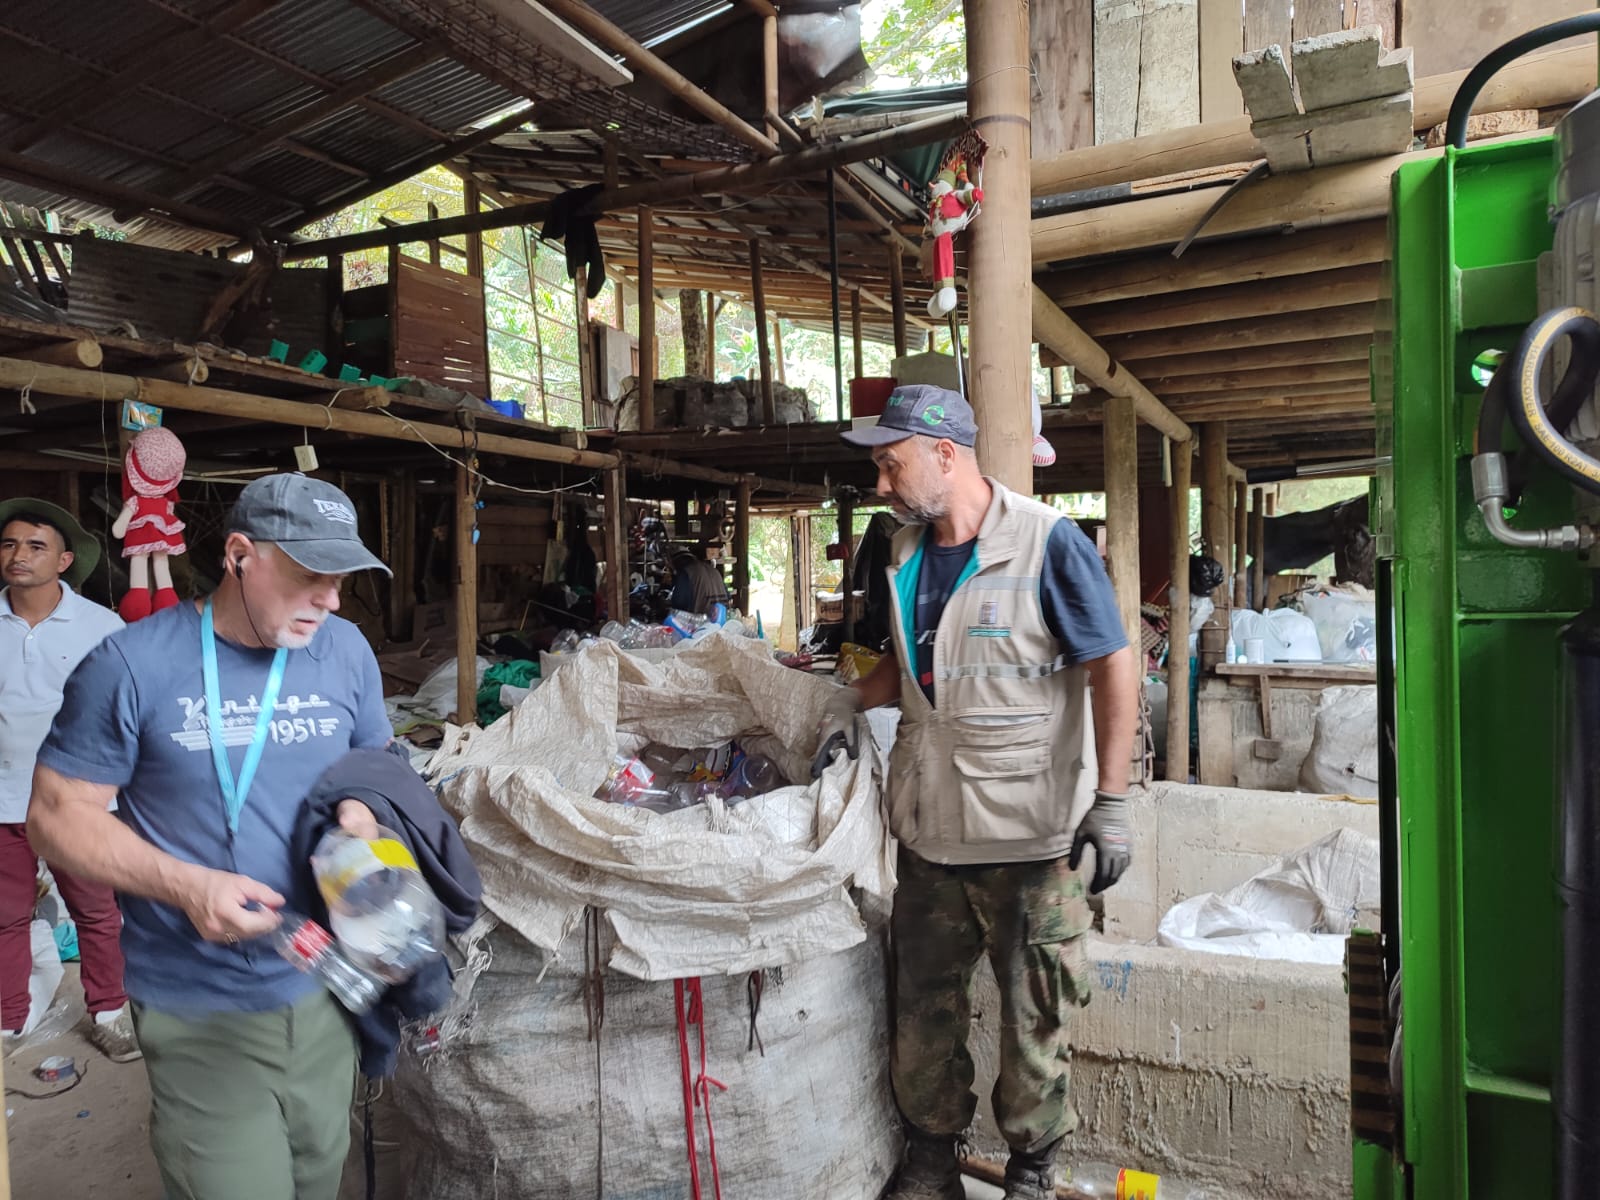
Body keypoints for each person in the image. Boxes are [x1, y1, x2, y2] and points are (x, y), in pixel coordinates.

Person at [28, 473, 395, 1200]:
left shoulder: (346, 649)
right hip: (200, 1004)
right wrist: (187, 886)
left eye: (341, 580)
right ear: (239, 555)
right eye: (311, 576)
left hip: (326, 984)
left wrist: (363, 814)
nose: (331, 599)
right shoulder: (131, 664)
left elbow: (375, 765)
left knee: (320, 1178)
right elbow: (56, 815)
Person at [815, 384, 1140, 1200]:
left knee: (1036, 1022)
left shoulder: (1047, 543)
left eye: (892, 466)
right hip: (931, 833)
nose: (881, 485)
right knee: (922, 1013)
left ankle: (1031, 1168)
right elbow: (909, 668)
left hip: (1032, 841)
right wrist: (840, 702)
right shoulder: (901, 553)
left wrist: (1112, 799)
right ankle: (932, 1159)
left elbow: (1112, 663)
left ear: (945, 454)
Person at [0, 500, 135, 1059]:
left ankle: (108, 1012)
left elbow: (127, 710)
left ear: (63, 560)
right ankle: (9, 1019)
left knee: (97, 912)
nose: (19, 555)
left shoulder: (101, 627)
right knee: (5, 917)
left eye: (36, 546)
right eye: (9, 544)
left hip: (76, 801)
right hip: (3, 798)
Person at [669, 544, 729, 617]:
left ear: (677, 562)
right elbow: (728, 596)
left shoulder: (686, 573)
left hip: (700, 620)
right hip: (721, 617)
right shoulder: (714, 571)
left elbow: (678, 603)